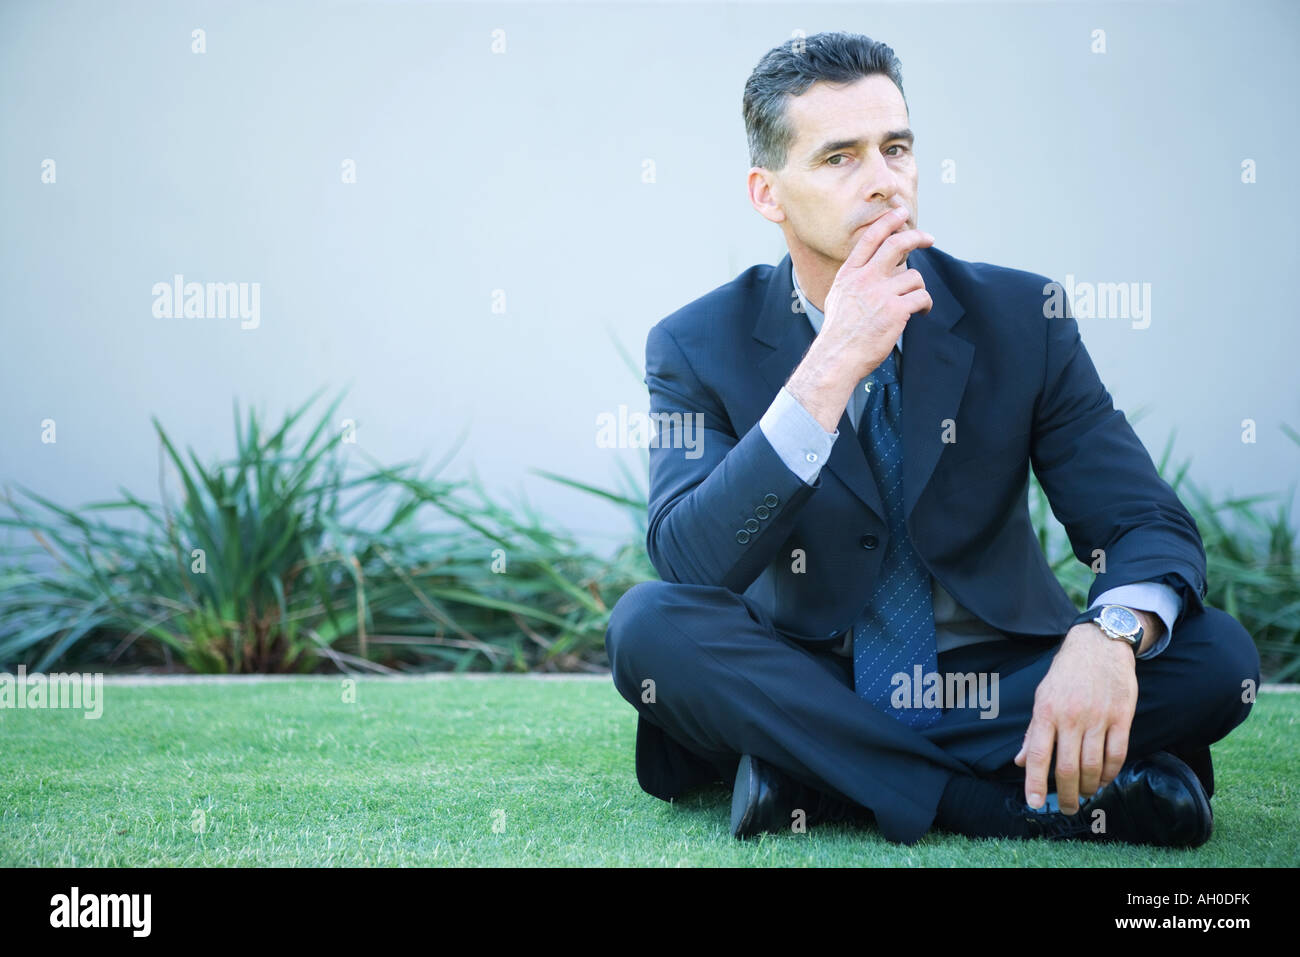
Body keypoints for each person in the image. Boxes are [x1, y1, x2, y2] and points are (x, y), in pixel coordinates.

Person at [603, 31, 1259, 847]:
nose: (884, 183)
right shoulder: (697, 341)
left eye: (897, 148)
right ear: (767, 194)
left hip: (998, 681)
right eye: (840, 157)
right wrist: (831, 364)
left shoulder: (1024, 318)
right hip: (813, 673)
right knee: (648, 629)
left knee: (1219, 655)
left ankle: (815, 771)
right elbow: (691, 562)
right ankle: (1003, 804)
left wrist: (1108, 637)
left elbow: (1142, 525)